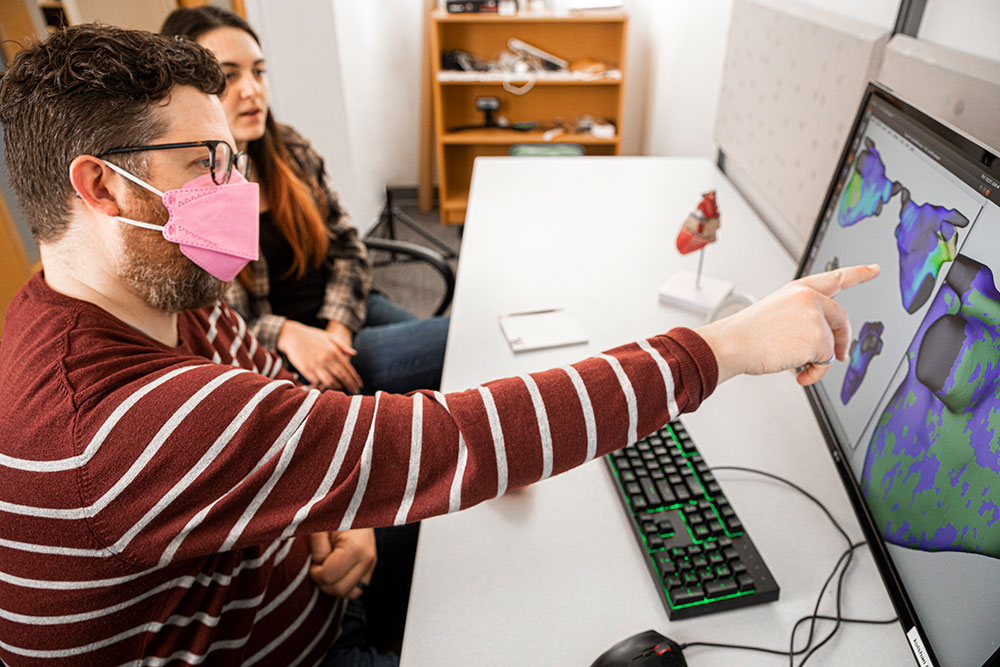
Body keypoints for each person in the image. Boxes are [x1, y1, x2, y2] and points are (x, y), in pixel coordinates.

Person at [0, 24, 877, 667]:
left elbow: (278, 402)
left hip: (301, 578)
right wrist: (723, 347)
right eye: (207, 163)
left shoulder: (164, 292)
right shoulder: (106, 424)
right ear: (101, 188)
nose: (239, 189)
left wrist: (334, 509)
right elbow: (442, 443)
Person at [161, 7, 449, 398]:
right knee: (455, 341)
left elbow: (347, 245)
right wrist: (288, 333)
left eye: (258, 72)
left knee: (454, 354)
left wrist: (339, 325)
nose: (252, 90)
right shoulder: (184, 188)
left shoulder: (289, 148)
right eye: (228, 77)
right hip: (278, 355)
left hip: (342, 312)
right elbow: (210, 320)